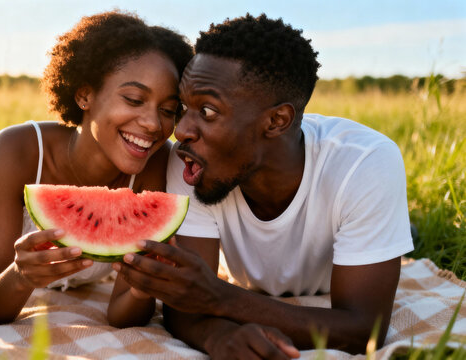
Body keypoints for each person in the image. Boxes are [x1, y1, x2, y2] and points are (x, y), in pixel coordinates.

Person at [112, 13, 414, 358]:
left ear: (276, 121)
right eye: (184, 108)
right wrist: (219, 337)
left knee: (403, 240)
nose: (181, 132)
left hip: (338, 256)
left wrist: (220, 297)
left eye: (208, 111)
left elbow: (364, 329)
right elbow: (187, 298)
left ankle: (404, 232)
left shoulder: (365, 162)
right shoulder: (192, 160)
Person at [0, 11, 193, 324]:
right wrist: (21, 277)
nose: (153, 124)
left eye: (168, 110)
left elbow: (121, 315)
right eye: (133, 99)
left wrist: (142, 290)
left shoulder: (157, 164)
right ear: (84, 95)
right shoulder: (16, 150)